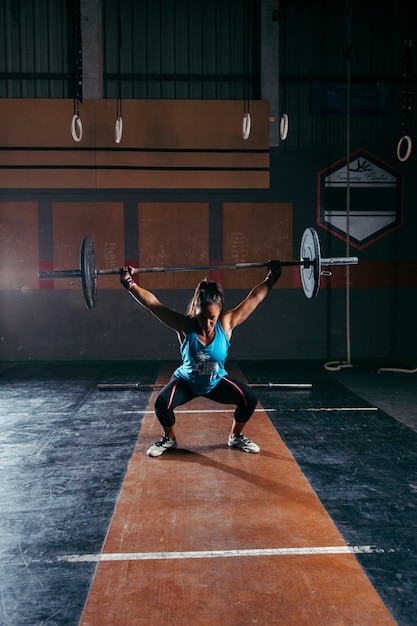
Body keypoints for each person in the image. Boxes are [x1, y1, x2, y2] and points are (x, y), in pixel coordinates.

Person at [120, 260, 281, 457]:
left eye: (211, 317)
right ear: (196, 311)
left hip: (215, 382)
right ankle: (169, 439)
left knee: (250, 398)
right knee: (161, 403)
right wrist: (129, 283)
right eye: (202, 316)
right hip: (187, 382)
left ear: (219, 311)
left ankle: (236, 437)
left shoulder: (227, 323)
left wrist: (272, 277)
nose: (207, 322)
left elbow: (254, 297)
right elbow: (153, 304)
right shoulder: (184, 326)